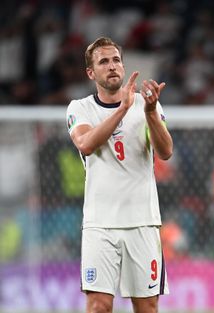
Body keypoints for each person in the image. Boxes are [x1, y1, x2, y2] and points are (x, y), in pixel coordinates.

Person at [66, 37, 173, 313]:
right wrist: (122, 109)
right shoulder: (80, 108)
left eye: (116, 60)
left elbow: (165, 151)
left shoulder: (146, 105)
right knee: (98, 306)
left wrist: (149, 111)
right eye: (103, 61)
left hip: (143, 221)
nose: (112, 66)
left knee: (147, 307)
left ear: (123, 67)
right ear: (91, 73)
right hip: (100, 224)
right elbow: (86, 144)